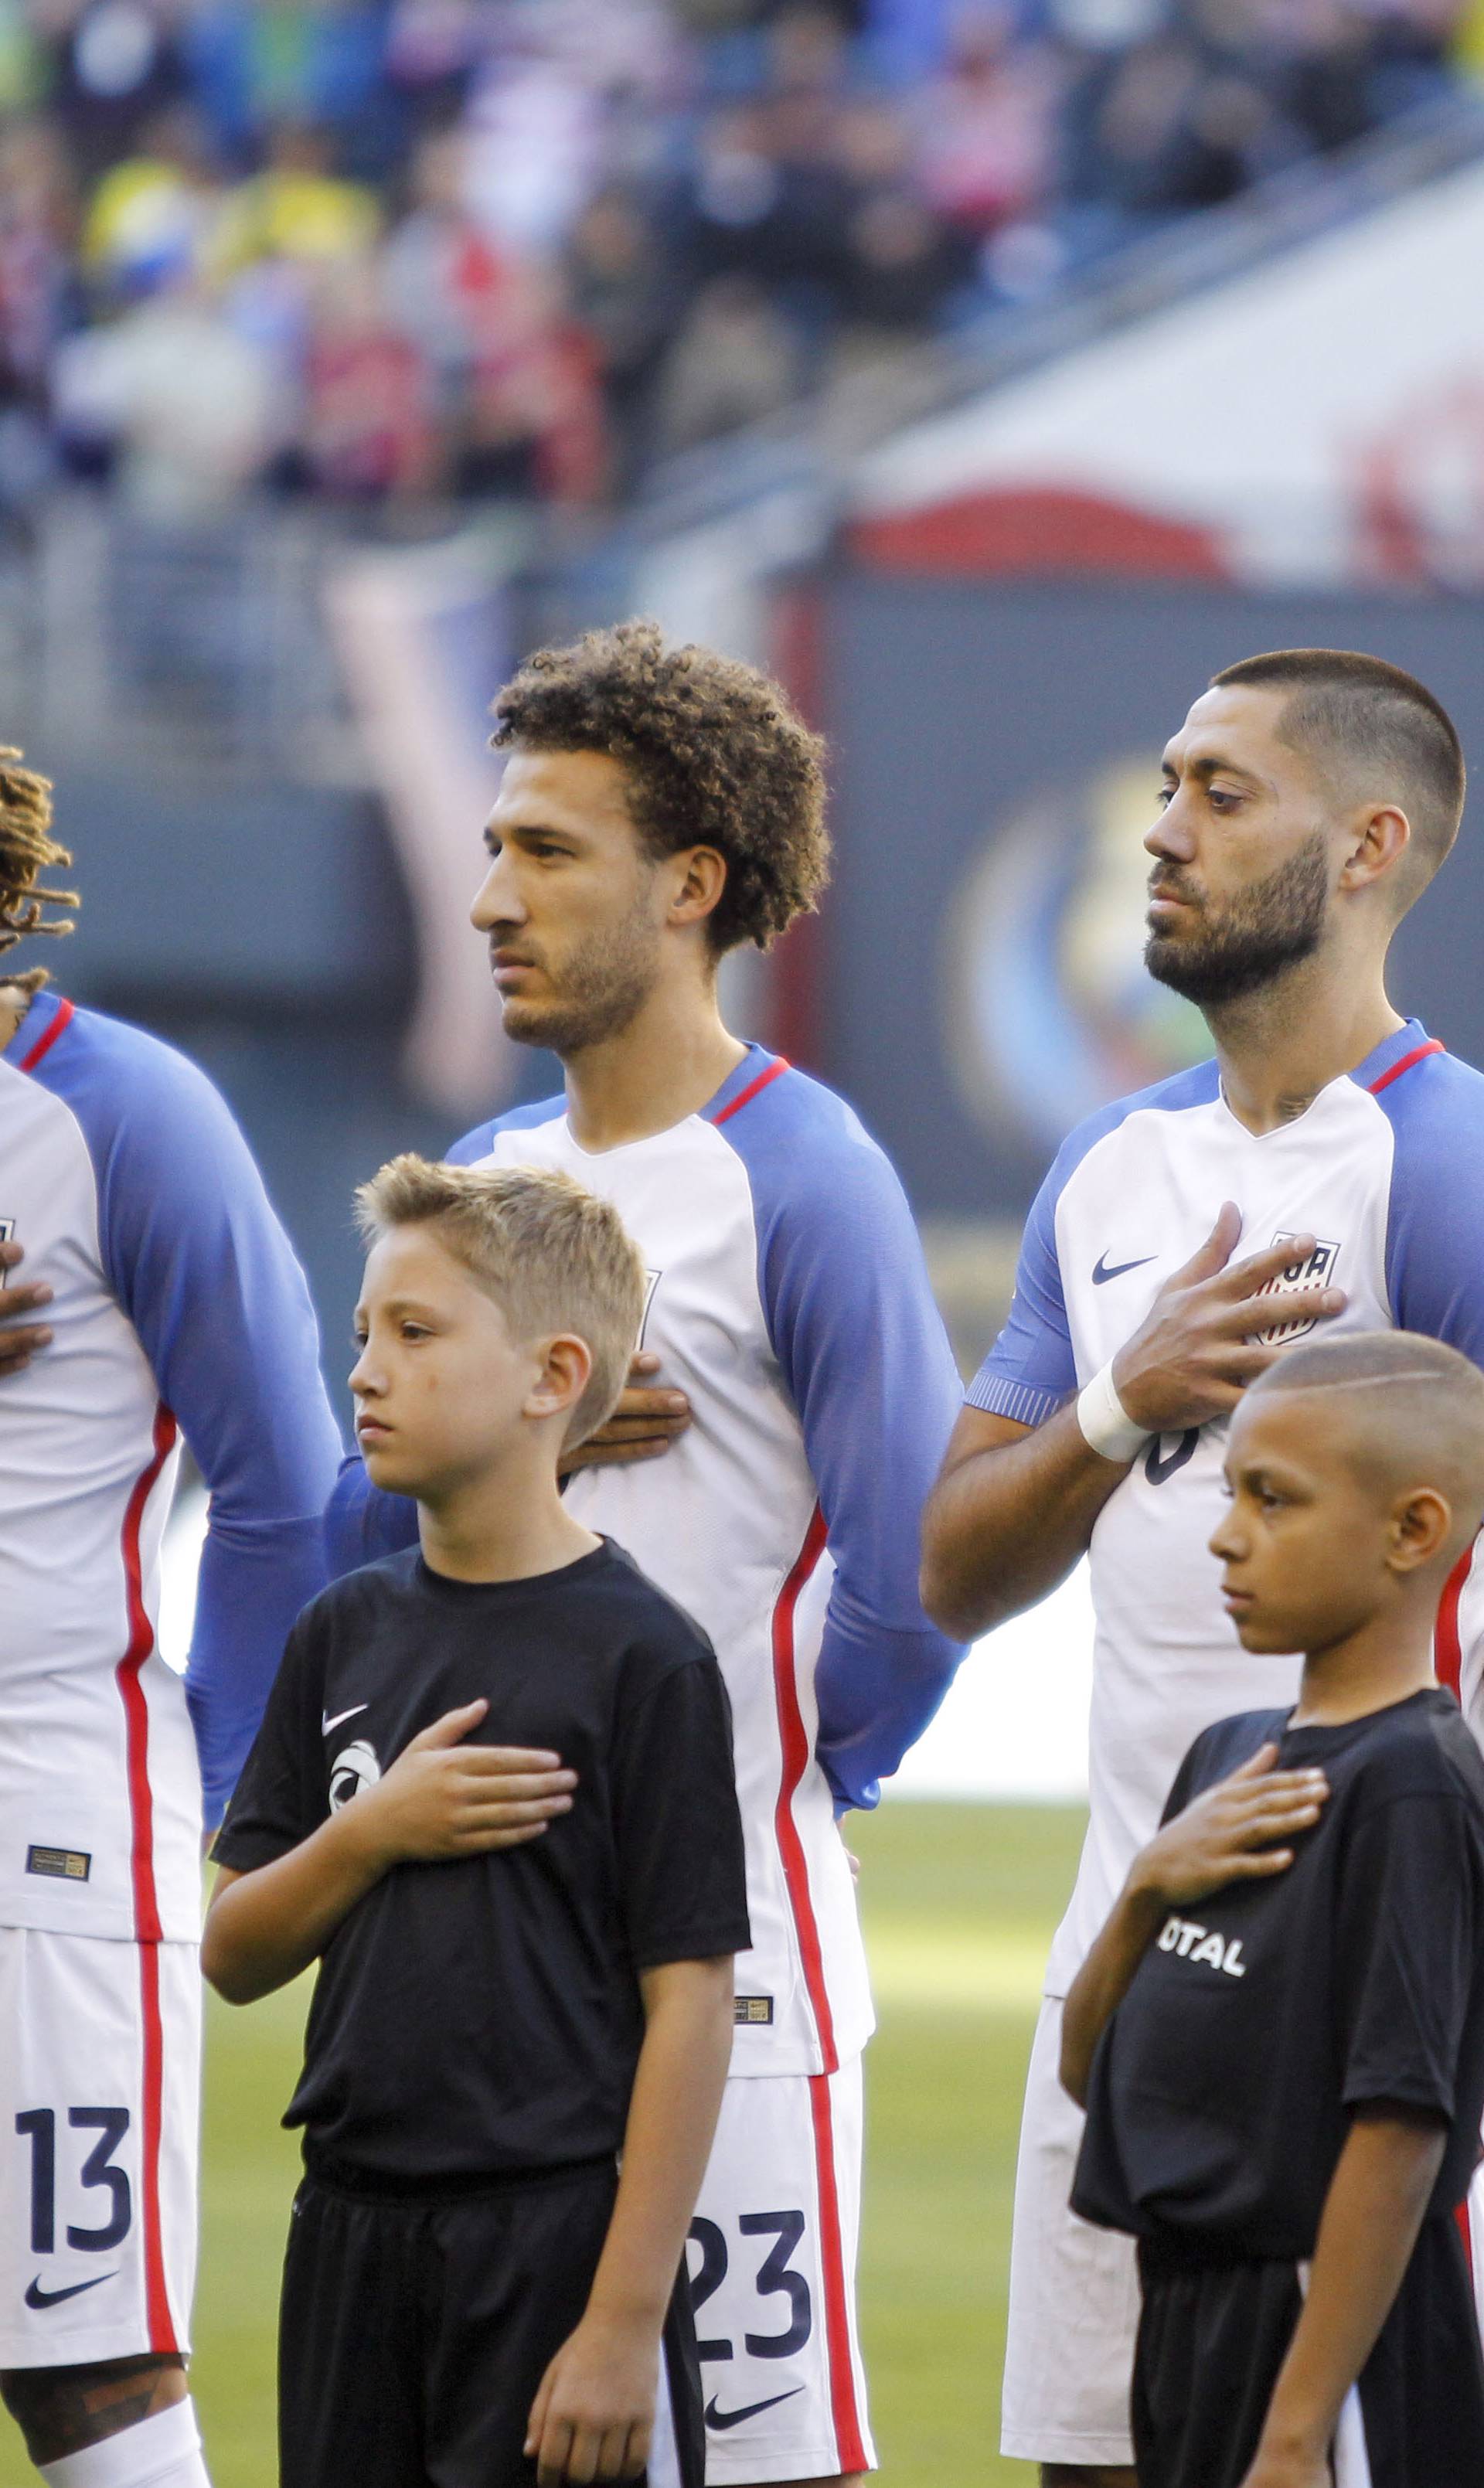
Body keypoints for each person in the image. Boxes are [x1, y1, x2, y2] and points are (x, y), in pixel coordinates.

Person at [326, 618, 967, 2488]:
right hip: (491, 1975)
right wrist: (513, 1430)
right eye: (493, 849)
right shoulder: (489, 1177)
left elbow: (909, 1582)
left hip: (738, 1981)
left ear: (689, 886)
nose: (490, 900)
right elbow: (383, 1544)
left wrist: (765, 1784)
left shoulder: (807, 1174)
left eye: (546, 851)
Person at [919, 646, 1484, 2486]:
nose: (1159, 832)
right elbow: (956, 1572)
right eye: (1166, 783)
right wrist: (1115, 1403)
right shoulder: (1106, 1165)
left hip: (1379, 2022)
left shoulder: (1448, 1165)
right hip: (1137, 1958)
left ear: (1372, 842)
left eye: (1222, 793)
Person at [203, 1156, 752, 2488]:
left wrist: (623, 2322)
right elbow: (230, 1949)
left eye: (415, 1333)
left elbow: (691, 2001)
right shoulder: (342, 1630)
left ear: (552, 1378)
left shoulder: (647, 1661)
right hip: (347, 2232)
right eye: (361, 1335)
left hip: (548, 2245)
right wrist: (371, 1833)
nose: (365, 1374)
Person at [0, 751, 342, 2483]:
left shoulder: (124, 1114)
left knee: (89, 2376)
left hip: (44, 1836)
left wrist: (199, 1799)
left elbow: (287, 1484)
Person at [1061, 1329, 1484, 2488]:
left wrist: (1300, 2429)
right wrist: (1145, 1891)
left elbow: (1400, 2133)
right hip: (1189, 2325)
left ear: (1414, 1531)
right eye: (1229, 1490)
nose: (1225, 1534)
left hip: (1320, 2344)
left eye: (1274, 1500)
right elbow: (1089, 2080)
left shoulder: (1409, 1786)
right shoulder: (1229, 1760)